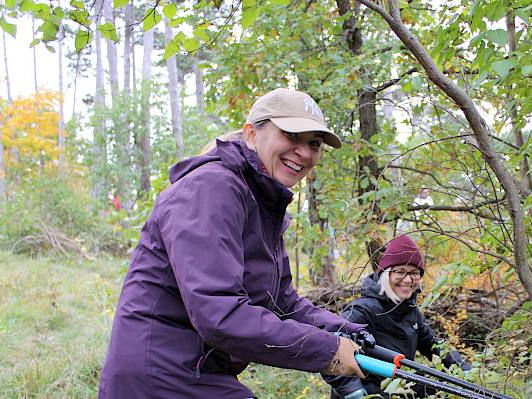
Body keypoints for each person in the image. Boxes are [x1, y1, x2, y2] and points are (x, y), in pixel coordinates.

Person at [98, 88, 366, 399]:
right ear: (252, 134)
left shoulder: (262, 201)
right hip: (156, 374)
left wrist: (347, 331)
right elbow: (219, 314)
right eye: (292, 135)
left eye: (314, 144)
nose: (304, 153)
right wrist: (325, 350)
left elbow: (281, 303)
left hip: (199, 368)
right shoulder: (211, 188)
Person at [327, 235, 470, 399]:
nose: (408, 279)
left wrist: (464, 369)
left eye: (414, 273)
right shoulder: (362, 310)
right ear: (385, 274)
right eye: (400, 271)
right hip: (368, 394)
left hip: (399, 387)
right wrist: (354, 392)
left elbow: (435, 345)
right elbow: (330, 349)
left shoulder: (410, 311)